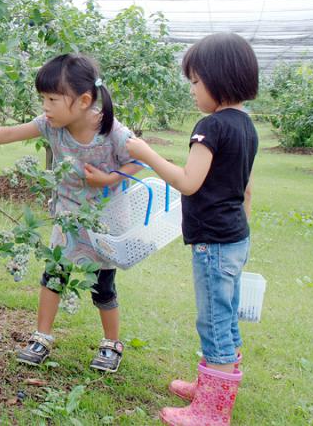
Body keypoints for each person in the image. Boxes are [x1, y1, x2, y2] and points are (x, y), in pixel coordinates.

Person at [0, 53, 141, 372]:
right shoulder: (51, 127)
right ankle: (42, 336)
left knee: (103, 284)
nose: (45, 106)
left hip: (104, 221)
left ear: (84, 100)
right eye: (43, 98)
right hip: (68, 217)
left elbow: (136, 160)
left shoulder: (111, 131)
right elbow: (9, 133)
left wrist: (109, 178)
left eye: (52, 99)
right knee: (54, 276)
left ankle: (112, 343)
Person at [125, 32, 258, 425]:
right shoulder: (246, 127)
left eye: (195, 82)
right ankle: (211, 387)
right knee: (225, 317)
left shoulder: (211, 126)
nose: (193, 91)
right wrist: (239, 232)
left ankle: (212, 412)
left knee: (214, 321)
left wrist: (146, 153)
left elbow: (187, 181)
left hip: (214, 242)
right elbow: (247, 188)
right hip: (235, 237)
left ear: (218, 78)